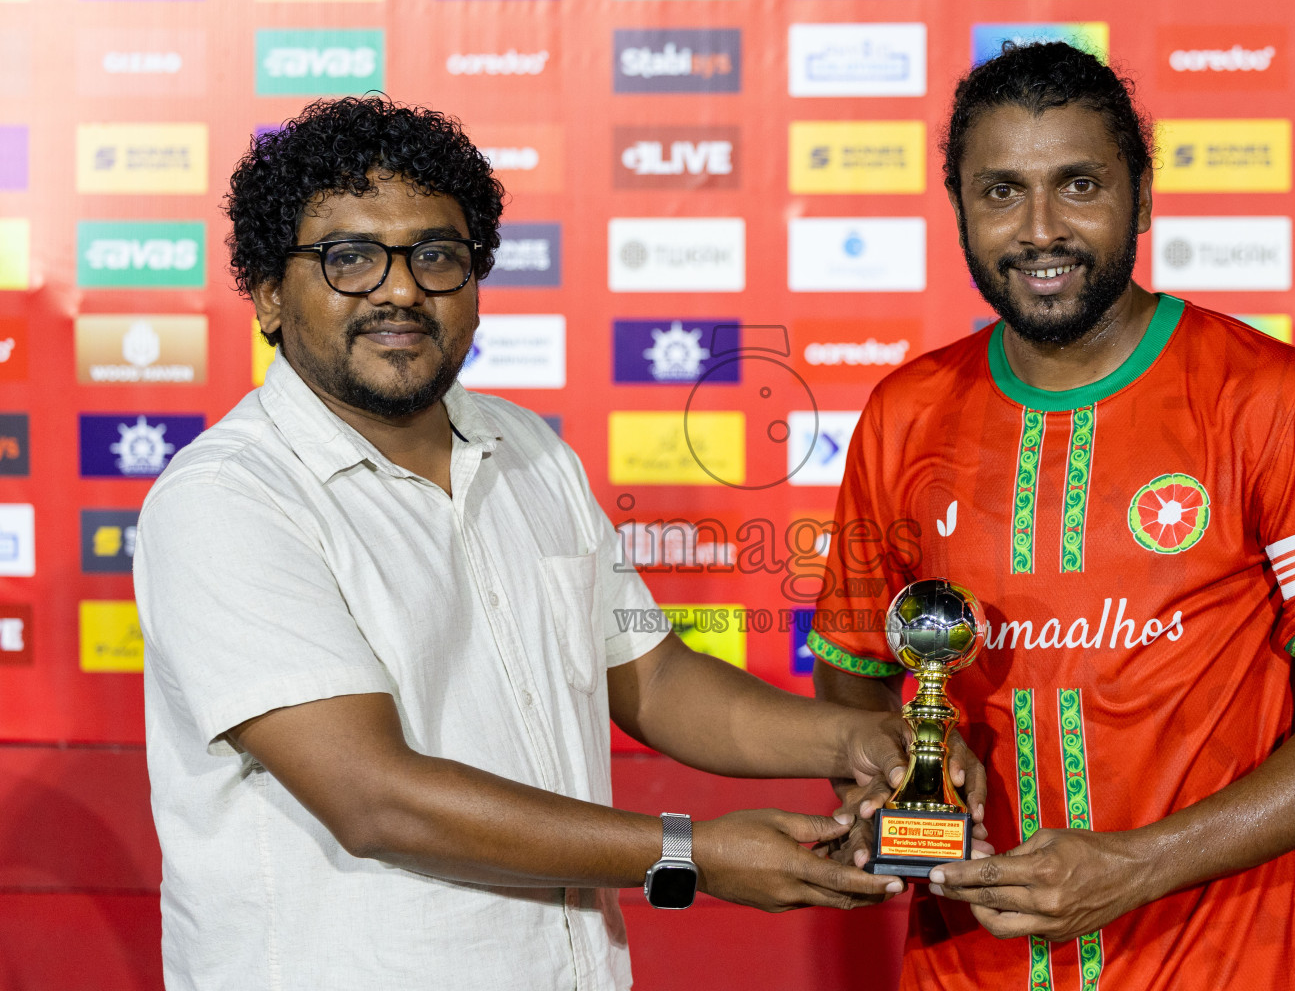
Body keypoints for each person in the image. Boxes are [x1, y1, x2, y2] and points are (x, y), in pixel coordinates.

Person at [134, 96, 980, 991]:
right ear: (268, 293)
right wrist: (693, 853)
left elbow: (652, 679)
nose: (399, 288)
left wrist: (862, 739)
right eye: (348, 258)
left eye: (435, 254)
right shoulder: (229, 499)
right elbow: (373, 797)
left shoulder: (530, 451)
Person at [810, 43, 1295, 990]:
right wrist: (901, 779)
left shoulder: (1275, 400)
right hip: (964, 966)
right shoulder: (904, 414)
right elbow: (854, 683)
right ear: (961, 211)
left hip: (1217, 965)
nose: (1041, 229)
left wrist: (1135, 867)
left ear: (1140, 196)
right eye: (1002, 192)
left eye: (1080, 184)